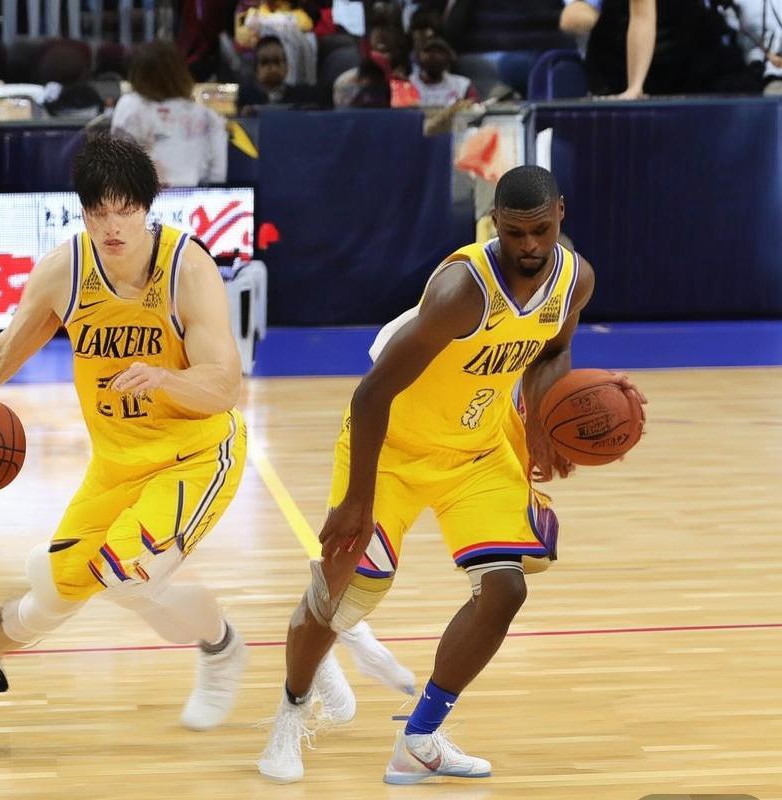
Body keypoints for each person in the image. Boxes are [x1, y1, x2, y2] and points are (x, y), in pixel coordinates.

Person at [0, 135, 404, 754]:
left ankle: (222, 648)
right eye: (98, 212)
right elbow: (4, 353)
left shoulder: (187, 269)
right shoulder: (64, 271)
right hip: (116, 462)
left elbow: (225, 387)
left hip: (197, 454)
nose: (112, 227)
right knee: (52, 594)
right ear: (83, 212)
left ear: (146, 209)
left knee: (124, 577)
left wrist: (165, 378)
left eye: (125, 211)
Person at [258, 165, 646, 783]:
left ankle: (419, 738)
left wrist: (542, 426)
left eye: (540, 230)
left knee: (506, 590)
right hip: (393, 450)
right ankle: (292, 708)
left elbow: (550, 352)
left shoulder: (576, 280)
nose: (528, 245)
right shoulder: (462, 290)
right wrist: (357, 500)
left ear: (560, 215)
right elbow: (371, 394)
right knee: (343, 594)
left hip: (476, 451)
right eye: (514, 232)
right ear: (494, 223)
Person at [110, 41, 227, 187]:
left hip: (143, 196)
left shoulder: (129, 105)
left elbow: (116, 171)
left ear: (138, 74)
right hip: (191, 196)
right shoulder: (208, 115)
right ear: (182, 73)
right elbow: (218, 176)